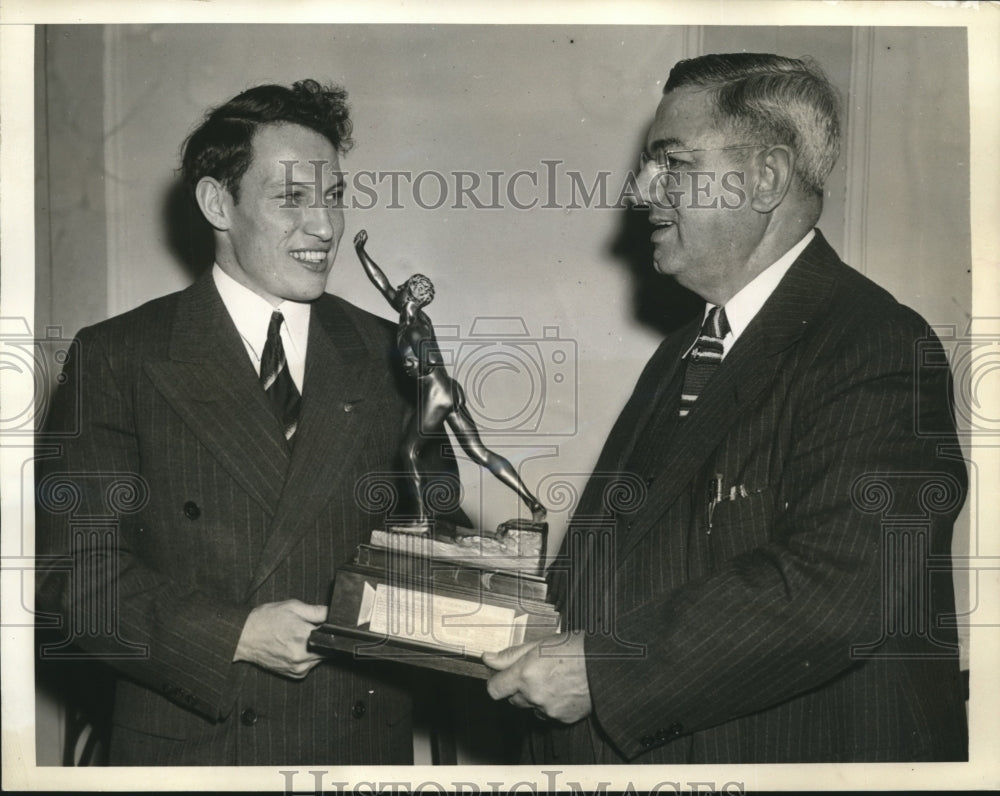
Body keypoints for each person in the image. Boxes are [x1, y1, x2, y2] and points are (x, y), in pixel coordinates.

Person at [484, 52, 968, 763]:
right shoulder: (686, 349)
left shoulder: (877, 343)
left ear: (765, 177)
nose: (641, 189)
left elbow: (840, 590)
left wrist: (603, 670)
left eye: (671, 163)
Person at [35, 80, 421, 765]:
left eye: (333, 197)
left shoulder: (391, 352)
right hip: (195, 746)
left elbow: (433, 533)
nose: (326, 227)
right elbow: (78, 581)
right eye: (293, 199)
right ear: (218, 202)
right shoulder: (119, 355)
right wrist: (235, 635)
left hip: (355, 743)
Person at [353, 229, 547, 530]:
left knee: (408, 451)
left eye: (404, 285)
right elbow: (382, 283)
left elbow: (428, 359)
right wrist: (361, 252)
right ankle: (533, 502)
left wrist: (413, 363)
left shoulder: (415, 325)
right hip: (449, 391)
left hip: (437, 392)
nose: (399, 287)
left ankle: (420, 519)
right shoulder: (408, 314)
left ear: (412, 294)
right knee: (478, 452)